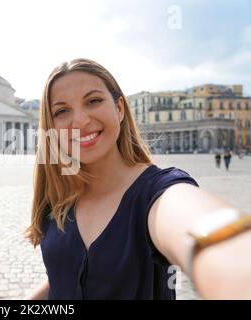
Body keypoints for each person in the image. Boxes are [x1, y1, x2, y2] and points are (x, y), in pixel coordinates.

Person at [25, 58, 251, 300]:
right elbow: (61, 277)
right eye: (61, 111)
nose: (80, 121)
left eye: (93, 101)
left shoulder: (159, 193)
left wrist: (231, 258)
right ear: (51, 126)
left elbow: (199, 225)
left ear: (120, 108)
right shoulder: (58, 197)